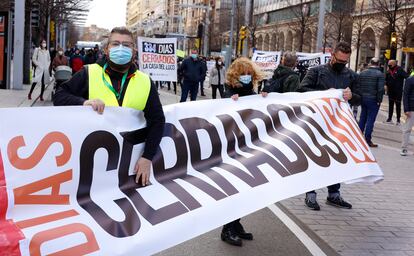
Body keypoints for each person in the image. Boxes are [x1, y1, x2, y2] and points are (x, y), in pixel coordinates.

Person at [53, 27, 165, 186]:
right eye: (116, 44)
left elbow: (158, 121)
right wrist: (83, 102)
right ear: (107, 49)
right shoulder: (89, 73)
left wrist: (147, 157)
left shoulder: (145, 81)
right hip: (91, 165)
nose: (121, 49)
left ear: (134, 51)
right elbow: (59, 96)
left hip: (130, 166)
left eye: (126, 45)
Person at [297, 41, 361, 211]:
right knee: (314, 158)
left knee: (337, 158)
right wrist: (324, 95)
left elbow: (360, 98)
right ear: (332, 55)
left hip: (339, 124)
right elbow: (302, 90)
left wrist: (351, 95)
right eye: (339, 61)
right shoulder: (316, 72)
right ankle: (310, 194)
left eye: (344, 62)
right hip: (317, 122)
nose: (341, 64)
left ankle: (334, 194)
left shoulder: (352, 75)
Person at [221, 57, 263, 247]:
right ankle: (227, 228)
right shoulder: (228, 90)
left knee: (245, 188)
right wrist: (229, 102)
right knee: (233, 188)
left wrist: (263, 99)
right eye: (243, 73)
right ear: (235, 74)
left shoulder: (251, 91)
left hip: (247, 145)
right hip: (231, 147)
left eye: (249, 73)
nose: (246, 77)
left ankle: (236, 224)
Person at [358, 58, 385, 148]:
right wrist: (379, 100)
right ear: (379, 64)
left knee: (362, 117)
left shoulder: (363, 73)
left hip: (363, 98)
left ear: (370, 63)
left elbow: (359, 86)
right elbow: (381, 89)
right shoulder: (380, 74)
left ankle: (357, 137)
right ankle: (368, 140)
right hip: (373, 99)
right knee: (370, 120)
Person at [385, 60, 409, 125]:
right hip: (390, 91)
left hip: (398, 91)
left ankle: (398, 120)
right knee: (390, 105)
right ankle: (389, 118)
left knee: (398, 105)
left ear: (394, 64)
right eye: (388, 64)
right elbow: (386, 80)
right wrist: (386, 86)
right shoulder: (388, 71)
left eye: (390, 65)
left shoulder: (400, 70)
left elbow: (407, 77)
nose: (389, 66)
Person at [401, 74, 414, 156]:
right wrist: (406, 109)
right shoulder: (410, 80)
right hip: (412, 108)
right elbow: (405, 95)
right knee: (407, 129)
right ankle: (404, 148)